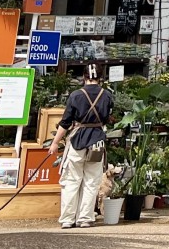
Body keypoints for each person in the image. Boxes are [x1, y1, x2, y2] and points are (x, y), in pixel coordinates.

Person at [48, 66, 114, 229]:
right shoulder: (107, 96)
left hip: (77, 140)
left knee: (71, 180)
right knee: (91, 181)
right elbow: (107, 118)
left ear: (84, 77)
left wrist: (55, 142)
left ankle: (68, 219)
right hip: (97, 141)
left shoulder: (76, 95)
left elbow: (65, 122)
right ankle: (85, 218)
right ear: (100, 77)